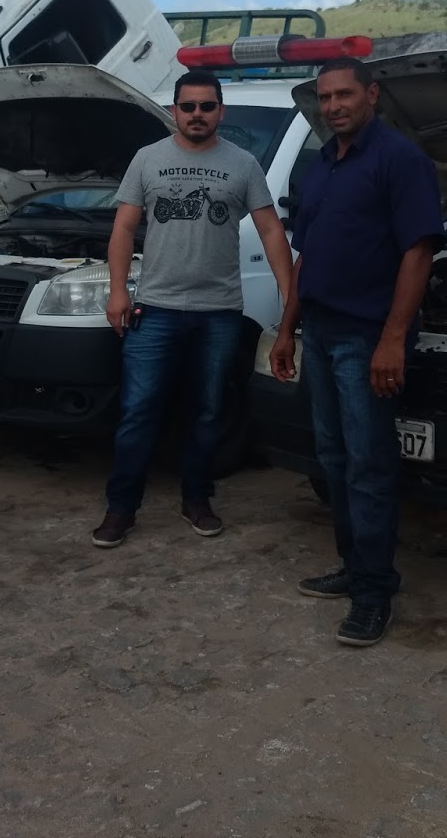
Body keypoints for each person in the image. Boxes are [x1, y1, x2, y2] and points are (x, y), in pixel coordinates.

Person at [269, 58, 442, 646]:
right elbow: (306, 255)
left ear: (371, 95)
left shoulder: (399, 160)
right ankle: (354, 566)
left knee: (369, 464)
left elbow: (418, 252)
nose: (334, 106)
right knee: (334, 459)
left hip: (366, 334)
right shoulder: (322, 164)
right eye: (325, 98)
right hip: (318, 330)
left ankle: (374, 593)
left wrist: (393, 338)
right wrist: (287, 329)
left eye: (344, 94)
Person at [91, 69, 294, 548]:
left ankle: (197, 499)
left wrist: (291, 298)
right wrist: (118, 290)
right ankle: (121, 508)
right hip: (155, 309)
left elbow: (270, 230)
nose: (197, 114)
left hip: (219, 312)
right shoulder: (147, 158)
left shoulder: (243, 164)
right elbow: (124, 228)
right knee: (138, 412)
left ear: (220, 111)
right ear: (175, 112)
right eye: (188, 107)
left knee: (206, 413)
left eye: (206, 106)